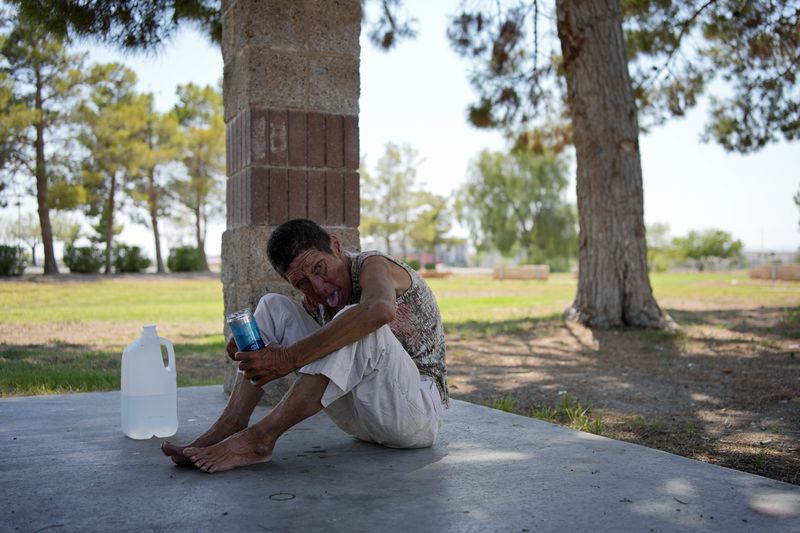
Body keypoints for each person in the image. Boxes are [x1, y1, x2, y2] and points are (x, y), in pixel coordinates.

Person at [162, 218, 449, 473]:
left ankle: (261, 439)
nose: (319, 287)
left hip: (414, 417)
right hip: (361, 420)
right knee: (272, 307)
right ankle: (231, 423)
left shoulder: (374, 266)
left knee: (357, 319)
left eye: (320, 269)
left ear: (335, 246)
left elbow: (379, 310)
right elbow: (300, 333)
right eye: (303, 283)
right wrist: (252, 341)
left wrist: (288, 358)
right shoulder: (315, 300)